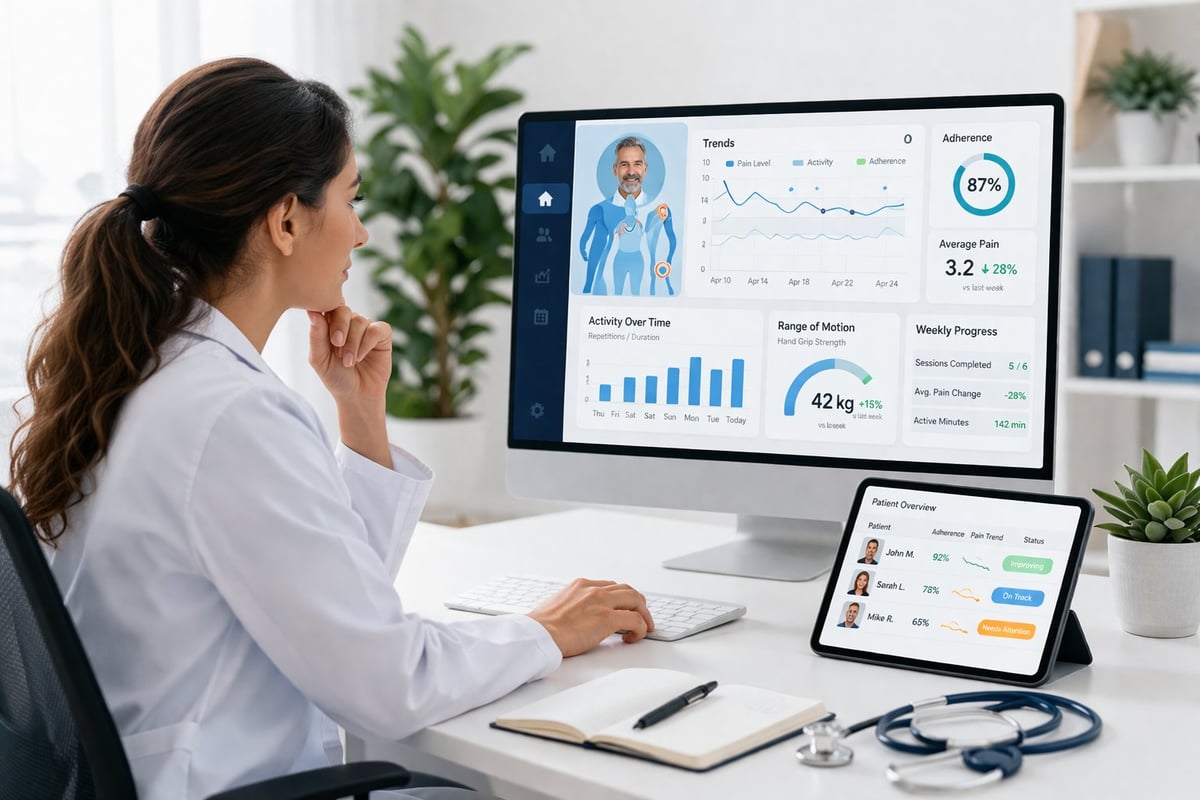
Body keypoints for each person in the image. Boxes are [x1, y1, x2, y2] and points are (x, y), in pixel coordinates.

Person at [6, 58, 654, 800]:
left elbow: (332, 608)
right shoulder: (229, 413)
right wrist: (547, 630)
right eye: (351, 197)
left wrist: (360, 416)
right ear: (286, 220)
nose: (364, 231)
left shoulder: (148, 369)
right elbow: (385, 685)